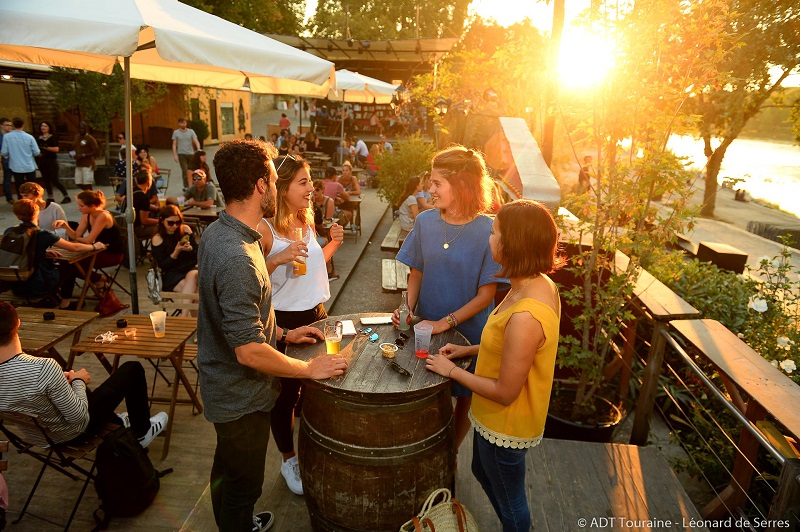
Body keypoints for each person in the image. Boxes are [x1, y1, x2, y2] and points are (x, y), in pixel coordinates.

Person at [197, 139, 347, 531]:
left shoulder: (219, 233)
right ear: (262, 185)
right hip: (239, 394)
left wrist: (282, 332)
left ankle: (238, 521)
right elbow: (248, 351)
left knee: (226, 471)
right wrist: (308, 370)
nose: (279, 185)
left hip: (225, 386)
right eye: (276, 178)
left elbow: (238, 317)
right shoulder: (239, 257)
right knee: (243, 485)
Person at [426, 199, 562, 531]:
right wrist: (467, 349)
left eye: (495, 232)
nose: (490, 238)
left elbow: (505, 392)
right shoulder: (534, 283)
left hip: (505, 423)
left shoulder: (527, 314)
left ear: (511, 244)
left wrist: (452, 372)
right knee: (481, 471)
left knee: (513, 504)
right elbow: (513, 350)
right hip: (495, 419)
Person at [393, 146, 506, 452]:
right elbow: (416, 273)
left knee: (463, 399)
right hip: (425, 330)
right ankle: (423, 448)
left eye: (437, 183)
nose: (429, 189)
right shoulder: (426, 222)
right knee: (425, 390)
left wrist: (446, 322)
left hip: (468, 334)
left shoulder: (489, 229)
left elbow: (487, 295)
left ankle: (451, 451)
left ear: (463, 186)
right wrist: (406, 308)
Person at [258, 155, 344, 497]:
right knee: (285, 395)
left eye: (311, 182)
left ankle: (312, 446)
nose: (312, 189)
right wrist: (277, 257)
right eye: (304, 182)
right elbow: (249, 277)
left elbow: (310, 265)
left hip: (315, 313)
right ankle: (288, 458)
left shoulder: (304, 220)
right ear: (283, 187)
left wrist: (333, 243)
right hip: (283, 321)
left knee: (313, 386)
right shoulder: (264, 228)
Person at [0, 301, 168, 449]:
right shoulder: (44, 367)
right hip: (74, 434)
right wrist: (79, 381)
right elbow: (80, 417)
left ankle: (117, 422)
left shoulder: (40, 370)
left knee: (71, 386)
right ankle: (143, 433)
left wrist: (63, 381)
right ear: (18, 324)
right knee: (132, 369)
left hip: (40, 438)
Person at [1, 199, 100, 306]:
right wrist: (94, 246)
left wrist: (43, 251)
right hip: (37, 286)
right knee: (70, 265)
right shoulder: (41, 234)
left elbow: (22, 252)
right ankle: (65, 303)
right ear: (37, 214)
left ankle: (58, 298)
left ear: (17, 216)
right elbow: (74, 247)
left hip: (15, 285)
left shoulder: (9, 231)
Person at [52, 190, 125, 309]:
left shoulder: (103, 216)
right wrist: (64, 225)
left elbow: (88, 240)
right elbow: (76, 236)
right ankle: (98, 279)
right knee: (66, 263)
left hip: (112, 253)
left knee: (71, 265)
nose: (78, 208)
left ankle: (67, 300)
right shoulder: (87, 214)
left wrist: (72, 243)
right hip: (98, 250)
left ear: (92, 205)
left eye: (81, 205)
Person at [151, 205, 198, 316]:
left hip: (190, 269)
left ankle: (183, 316)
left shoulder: (185, 230)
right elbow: (163, 265)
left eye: (178, 222)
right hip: (172, 274)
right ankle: (196, 324)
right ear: (162, 220)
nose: (175, 226)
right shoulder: (158, 238)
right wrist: (175, 253)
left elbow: (197, 253)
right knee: (196, 293)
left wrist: (190, 249)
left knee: (193, 275)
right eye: (171, 223)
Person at [0, 118, 39, 192]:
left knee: (19, 185)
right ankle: (33, 200)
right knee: (32, 185)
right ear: (23, 125)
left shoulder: (7, 137)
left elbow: (4, 152)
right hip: (29, 165)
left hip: (16, 165)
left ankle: (21, 200)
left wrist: (8, 156)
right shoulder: (29, 137)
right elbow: (36, 151)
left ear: (14, 125)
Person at [35, 121, 69, 203]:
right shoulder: (38, 138)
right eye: (42, 126)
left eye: (45, 126)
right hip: (42, 161)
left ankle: (66, 196)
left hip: (52, 160)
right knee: (46, 179)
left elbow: (56, 149)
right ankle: (50, 197)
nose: (43, 128)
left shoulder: (53, 137)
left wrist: (46, 147)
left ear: (49, 127)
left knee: (55, 179)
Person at [172, 118, 201, 187]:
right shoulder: (176, 133)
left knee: (192, 170)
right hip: (181, 154)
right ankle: (186, 185)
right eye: (181, 123)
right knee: (185, 170)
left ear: (186, 123)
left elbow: (196, 140)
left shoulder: (191, 131)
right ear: (179, 123)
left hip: (190, 153)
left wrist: (198, 149)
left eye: (184, 122)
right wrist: (175, 155)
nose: (183, 124)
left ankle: (193, 184)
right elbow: (174, 144)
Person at [70, 121, 98, 191]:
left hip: (87, 163)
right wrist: (72, 154)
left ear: (86, 129)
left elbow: (96, 151)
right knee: (78, 182)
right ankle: (88, 194)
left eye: (82, 128)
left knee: (87, 183)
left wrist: (83, 155)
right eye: (79, 128)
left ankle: (91, 197)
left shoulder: (90, 139)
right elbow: (73, 147)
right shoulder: (76, 137)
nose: (81, 130)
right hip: (79, 163)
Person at [132, 169, 159, 239]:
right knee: (164, 228)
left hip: (126, 227)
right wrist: (161, 221)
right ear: (149, 182)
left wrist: (157, 209)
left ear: (136, 180)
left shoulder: (133, 191)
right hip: (136, 229)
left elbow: (141, 206)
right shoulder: (143, 197)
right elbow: (144, 221)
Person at [1, 118, 14, 204]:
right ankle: (9, 198)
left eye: (10, 125)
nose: (9, 127)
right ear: (1, 126)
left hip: (15, 160)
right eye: (7, 125)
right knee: (7, 179)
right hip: (5, 160)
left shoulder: (12, 135)